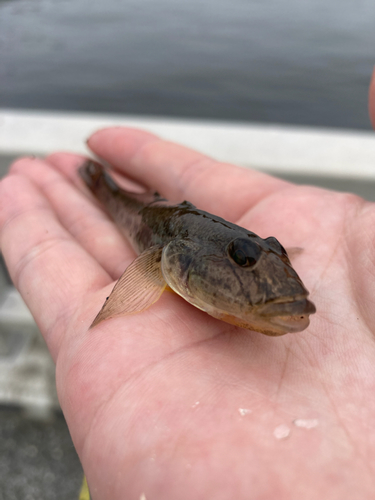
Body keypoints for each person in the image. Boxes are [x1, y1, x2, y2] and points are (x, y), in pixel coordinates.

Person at [1, 70, 375, 500]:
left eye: (273, 253)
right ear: (172, 258)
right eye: (245, 259)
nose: (265, 267)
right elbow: (150, 275)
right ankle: (95, 179)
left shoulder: (240, 256)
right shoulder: (167, 254)